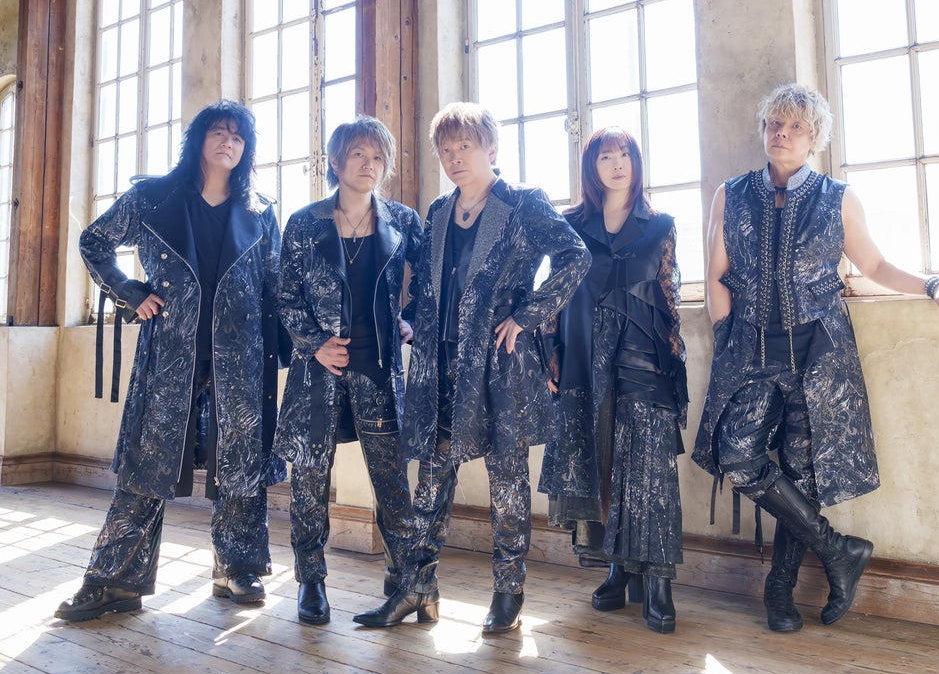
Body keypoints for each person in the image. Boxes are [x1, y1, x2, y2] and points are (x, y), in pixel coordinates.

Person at [693, 82, 939, 632]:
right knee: (737, 455)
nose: (781, 134)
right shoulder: (731, 194)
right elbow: (715, 275)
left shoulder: (837, 197)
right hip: (751, 351)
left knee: (801, 475)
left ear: (815, 139)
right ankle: (839, 550)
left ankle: (780, 592)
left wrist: (935, 284)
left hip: (819, 356)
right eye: (773, 124)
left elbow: (874, 266)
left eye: (794, 127)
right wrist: (727, 336)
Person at [354, 102, 590, 635]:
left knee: (507, 480)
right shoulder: (439, 211)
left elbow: (575, 255)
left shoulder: (524, 202)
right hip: (440, 366)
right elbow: (429, 284)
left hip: (500, 365)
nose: (454, 157)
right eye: (446, 149)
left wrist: (527, 315)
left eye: (465, 146)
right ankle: (417, 588)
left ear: (491, 148)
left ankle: (508, 591)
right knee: (431, 479)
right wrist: (412, 320)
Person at [57, 101, 286, 622]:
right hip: (169, 355)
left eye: (238, 137)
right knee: (147, 463)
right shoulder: (152, 198)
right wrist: (129, 291)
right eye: (219, 132)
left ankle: (237, 567)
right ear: (199, 140)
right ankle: (115, 581)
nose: (228, 142)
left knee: (240, 462)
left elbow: (275, 285)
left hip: (241, 359)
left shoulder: (260, 211)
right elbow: (94, 241)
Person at [539, 128, 688, 633]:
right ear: (592, 167)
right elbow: (555, 294)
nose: (617, 163)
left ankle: (659, 581)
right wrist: (551, 358)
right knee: (601, 462)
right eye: (606, 156)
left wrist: (675, 362)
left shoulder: (660, 224)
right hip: (586, 357)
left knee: (651, 470)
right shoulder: (569, 225)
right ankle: (619, 569)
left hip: (645, 358)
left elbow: (669, 294)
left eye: (625, 154)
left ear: (636, 163)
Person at [275, 117, 422, 626]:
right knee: (309, 477)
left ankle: (407, 580)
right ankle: (310, 581)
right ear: (336, 162)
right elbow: (285, 295)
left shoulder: (403, 220)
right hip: (317, 372)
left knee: (391, 480)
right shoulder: (304, 223)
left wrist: (412, 319)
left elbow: (430, 283)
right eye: (359, 154)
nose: (369, 164)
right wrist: (314, 344)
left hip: (379, 371)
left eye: (378, 157)